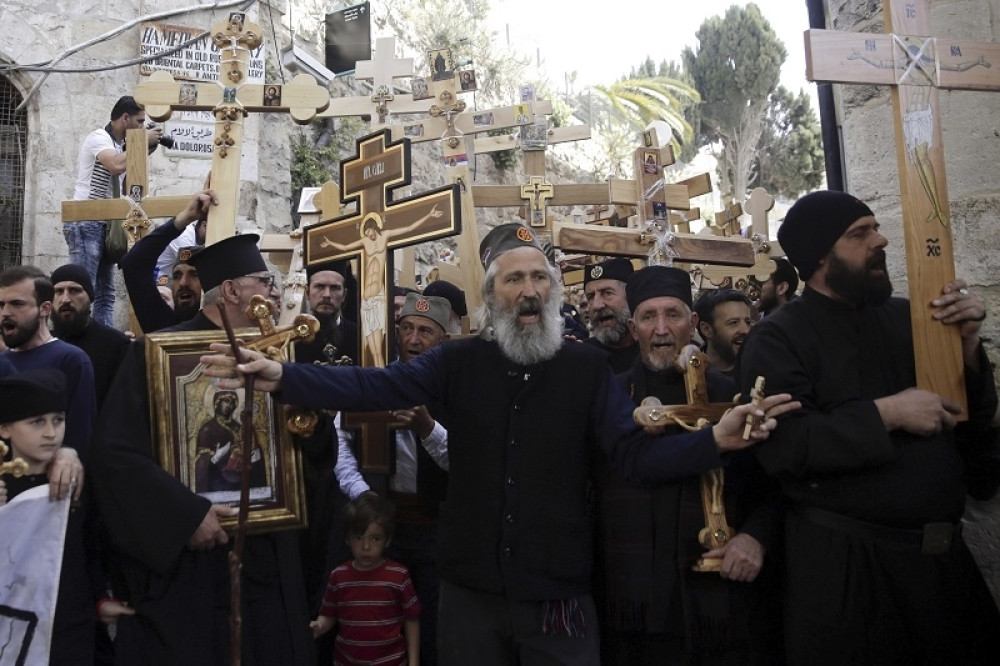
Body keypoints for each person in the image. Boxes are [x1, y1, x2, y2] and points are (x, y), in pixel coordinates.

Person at [203, 222, 797, 665]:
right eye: (515, 278)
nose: (530, 289)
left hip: (558, 598)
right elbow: (374, 384)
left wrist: (714, 440)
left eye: (540, 277)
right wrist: (284, 376)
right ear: (493, 296)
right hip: (470, 594)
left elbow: (632, 456)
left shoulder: (585, 369)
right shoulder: (458, 361)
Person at [737, 189, 1000, 664]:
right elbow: (787, 447)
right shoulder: (776, 338)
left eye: (876, 229)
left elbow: (971, 425)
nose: (880, 240)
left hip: (942, 570)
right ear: (820, 256)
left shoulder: (912, 318)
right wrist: (889, 413)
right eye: (860, 234)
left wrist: (966, 348)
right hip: (849, 578)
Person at [92, 207, 313, 665]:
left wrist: (304, 417)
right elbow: (116, 456)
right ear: (232, 291)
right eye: (265, 283)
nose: (276, 295)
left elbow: (314, 455)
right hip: (192, 562)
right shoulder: (157, 356)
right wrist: (185, 515)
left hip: (269, 559)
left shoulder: (279, 355)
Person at [597, 266, 782, 665]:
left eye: (673, 315)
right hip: (631, 594)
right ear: (633, 327)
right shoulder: (610, 394)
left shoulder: (730, 396)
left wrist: (754, 537)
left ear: (694, 323)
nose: (661, 329)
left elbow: (770, 486)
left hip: (715, 596)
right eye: (648, 317)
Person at [336, 292, 452, 665]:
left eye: (425, 332)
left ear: (443, 340)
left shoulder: (455, 389)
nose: (414, 340)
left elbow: (464, 461)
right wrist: (364, 494)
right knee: (380, 617)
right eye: (407, 329)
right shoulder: (375, 380)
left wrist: (427, 428)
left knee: (434, 621)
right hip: (383, 527)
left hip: (438, 528)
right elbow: (341, 440)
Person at [0, 369, 131, 666]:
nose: (50, 433)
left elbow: (89, 548)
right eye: (36, 422)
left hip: (72, 625)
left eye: (58, 420)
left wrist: (99, 599)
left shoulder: (75, 480)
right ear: (5, 429)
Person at [70, 96, 163, 326]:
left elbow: (126, 185)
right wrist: (142, 141)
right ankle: (78, 341)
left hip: (105, 223)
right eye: (139, 122)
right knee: (83, 290)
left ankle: (105, 345)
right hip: (85, 220)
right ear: (125, 118)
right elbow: (114, 165)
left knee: (105, 294)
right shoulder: (98, 137)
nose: (142, 127)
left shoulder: (121, 147)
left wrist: (144, 150)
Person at [311, 494, 421, 666]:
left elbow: (411, 620)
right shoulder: (338, 576)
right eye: (358, 537)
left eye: (375, 538)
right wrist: (318, 627)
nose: (366, 547)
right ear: (347, 539)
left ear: (387, 540)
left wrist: (414, 662)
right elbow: (328, 616)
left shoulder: (399, 575)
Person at [0, 266, 97, 461]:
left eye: (16, 304)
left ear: (44, 308)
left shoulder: (71, 360)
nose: (5, 313)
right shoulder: (3, 362)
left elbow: (80, 437)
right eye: (1, 305)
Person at [121, 190, 209, 332]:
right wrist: (183, 219)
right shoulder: (162, 323)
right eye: (176, 276)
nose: (183, 283)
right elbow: (133, 263)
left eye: (194, 274)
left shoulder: (225, 325)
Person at [49, 264, 130, 409]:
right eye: (59, 291)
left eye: (75, 290)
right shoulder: (43, 344)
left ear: (90, 298)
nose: (65, 299)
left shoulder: (116, 345)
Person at [296, 261, 359, 365]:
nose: (327, 295)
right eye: (320, 286)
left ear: (344, 295)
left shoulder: (359, 337)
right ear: (307, 293)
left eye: (334, 288)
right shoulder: (295, 339)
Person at [583, 257, 639, 372]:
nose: (596, 305)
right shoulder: (583, 357)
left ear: (630, 297)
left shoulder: (653, 352)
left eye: (607, 293)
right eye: (590, 297)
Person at [692, 288, 754, 379]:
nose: (745, 330)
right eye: (734, 322)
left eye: (748, 322)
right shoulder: (689, 374)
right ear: (706, 329)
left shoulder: (760, 372)